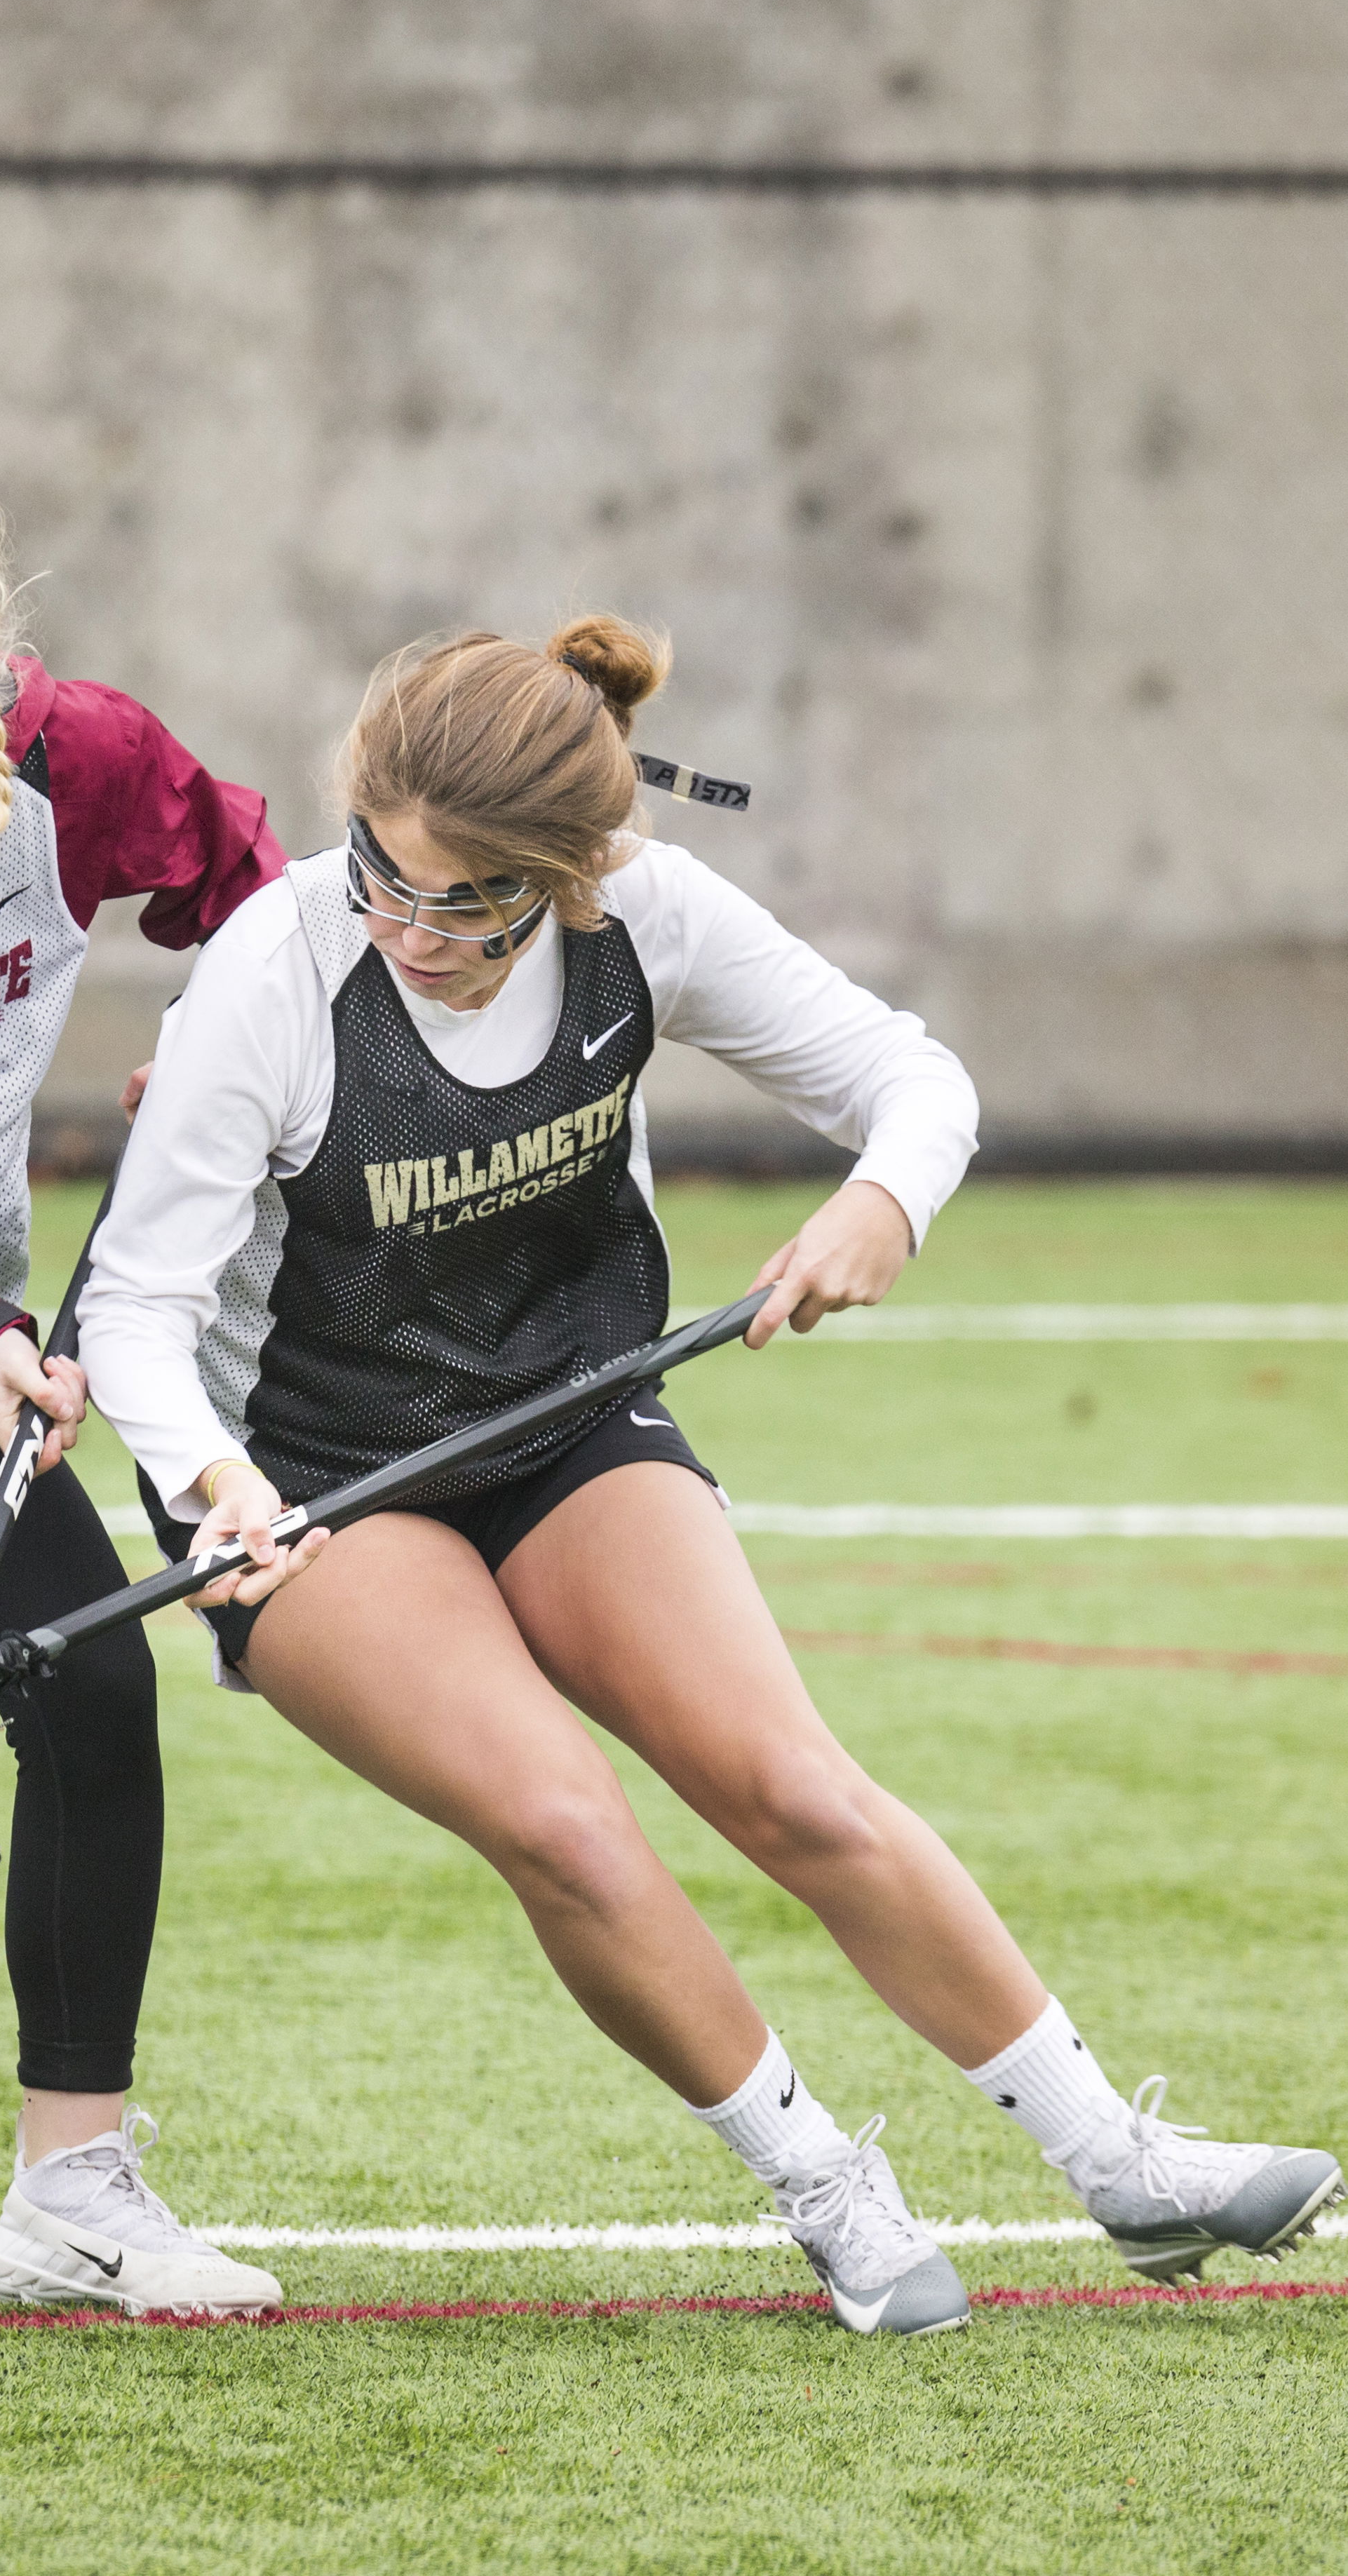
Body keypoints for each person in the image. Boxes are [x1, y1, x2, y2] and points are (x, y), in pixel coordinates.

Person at [79, 614, 1341, 2338]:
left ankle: (1115, 2158)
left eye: (469, 905)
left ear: (570, 877)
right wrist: (213, 1482)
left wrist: (877, 1204)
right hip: (303, 1474)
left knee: (791, 1785)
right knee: (565, 1823)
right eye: (382, 874)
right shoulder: (270, 973)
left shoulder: (644, 915)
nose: (409, 929)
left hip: (570, 1407)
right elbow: (137, 1312)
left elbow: (911, 1077)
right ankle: (827, 2186)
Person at [0, 445, 289, 2314]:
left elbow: (265, 903)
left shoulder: (76, 760)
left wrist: (220, 1062)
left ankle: (70, 2193)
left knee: (92, 1679)